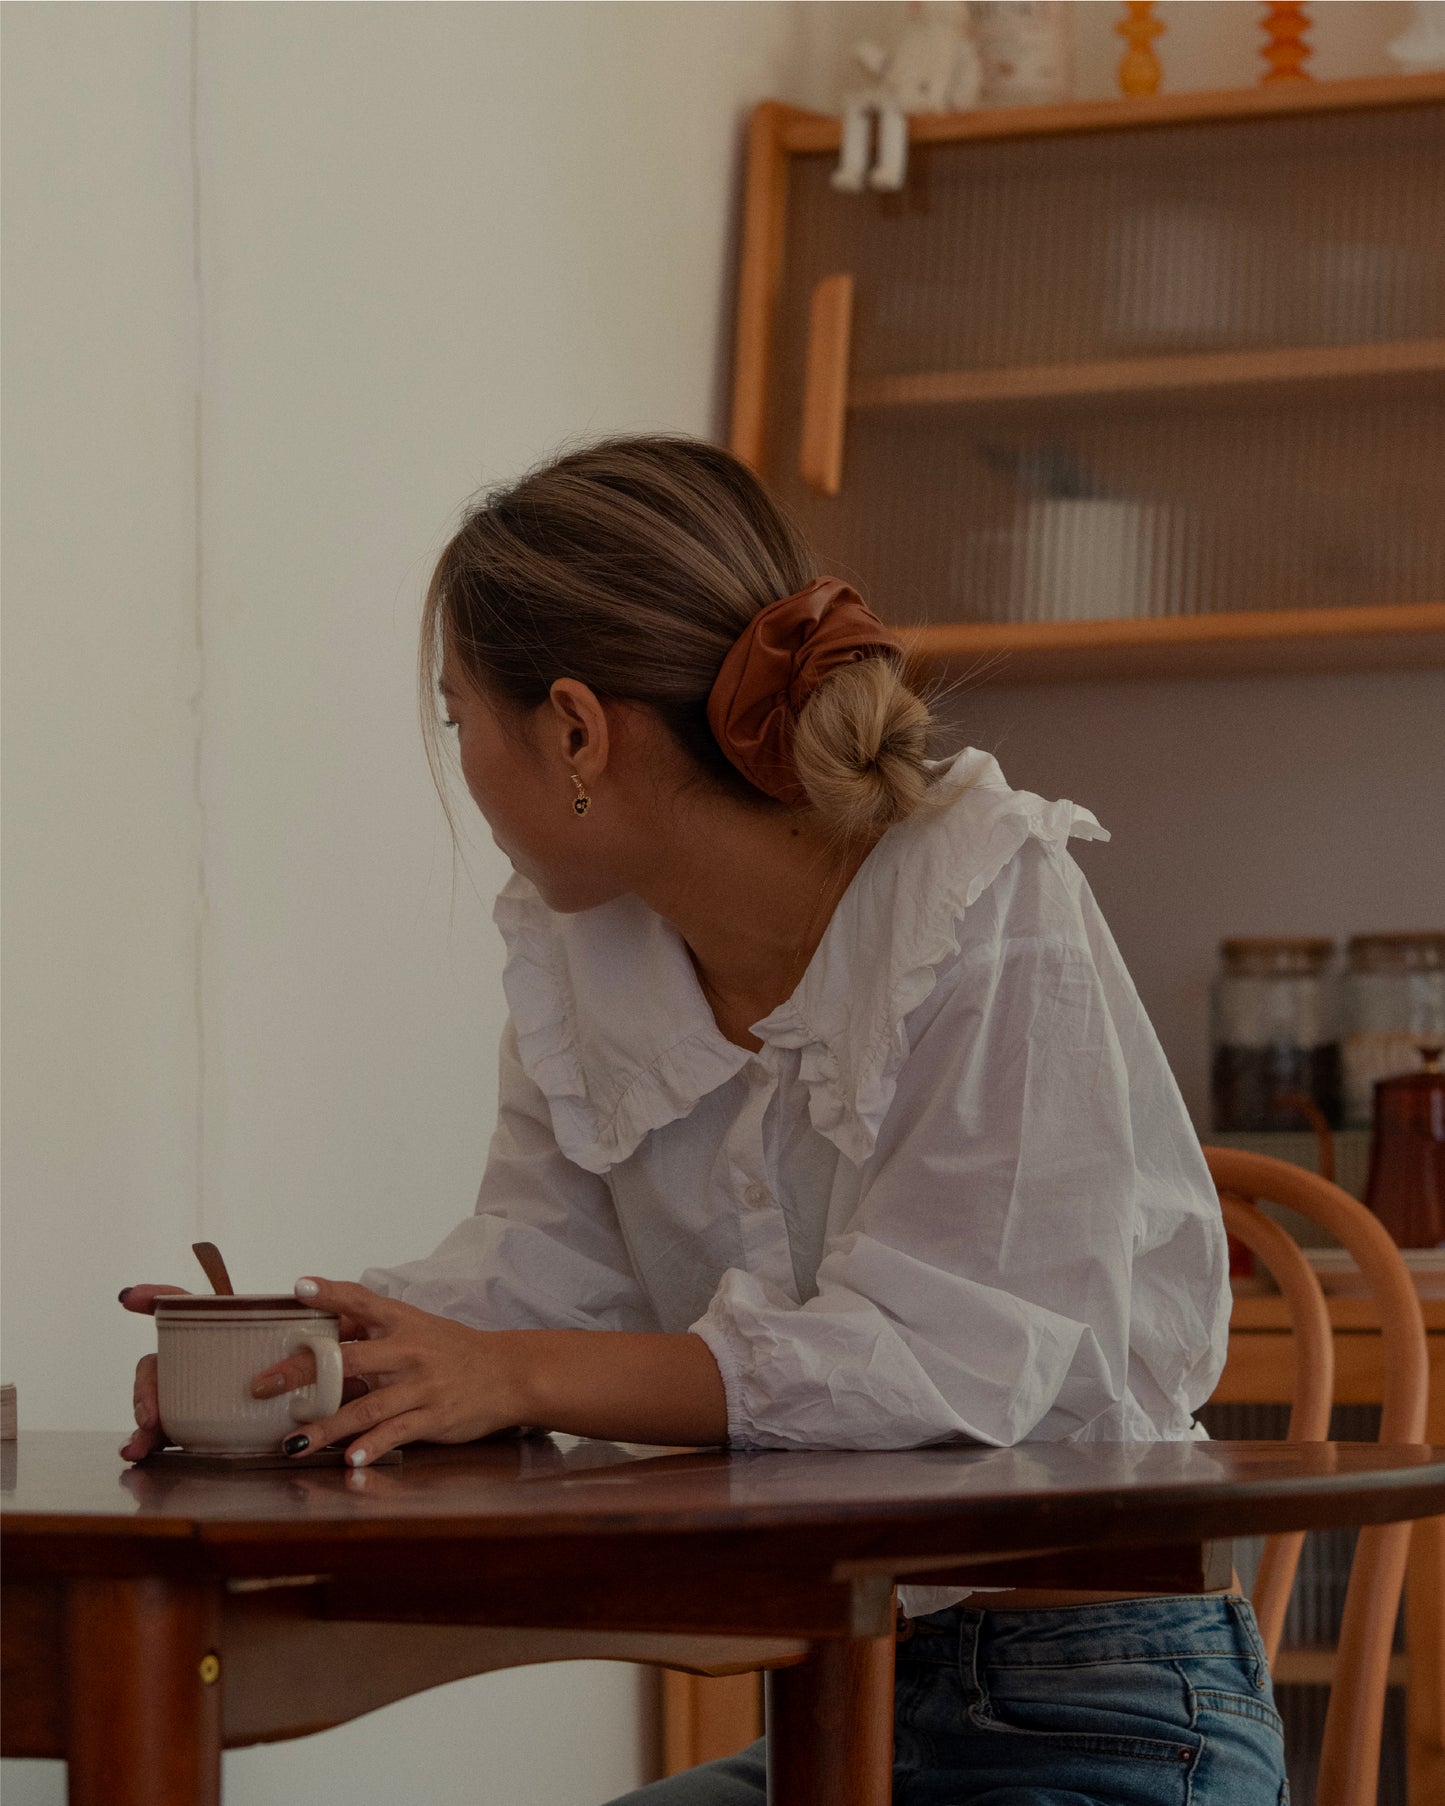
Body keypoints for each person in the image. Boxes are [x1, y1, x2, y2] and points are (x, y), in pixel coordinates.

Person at [120, 434, 1288, 1802]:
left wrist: (520, 1375)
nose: (459, 769)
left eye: (457, 719)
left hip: (1105, 1707)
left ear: (571, 729)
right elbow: (541, 1281)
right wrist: (293, 1370)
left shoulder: (977, 900)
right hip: (844, 1700)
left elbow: (953, 1361)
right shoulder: (590, 964)